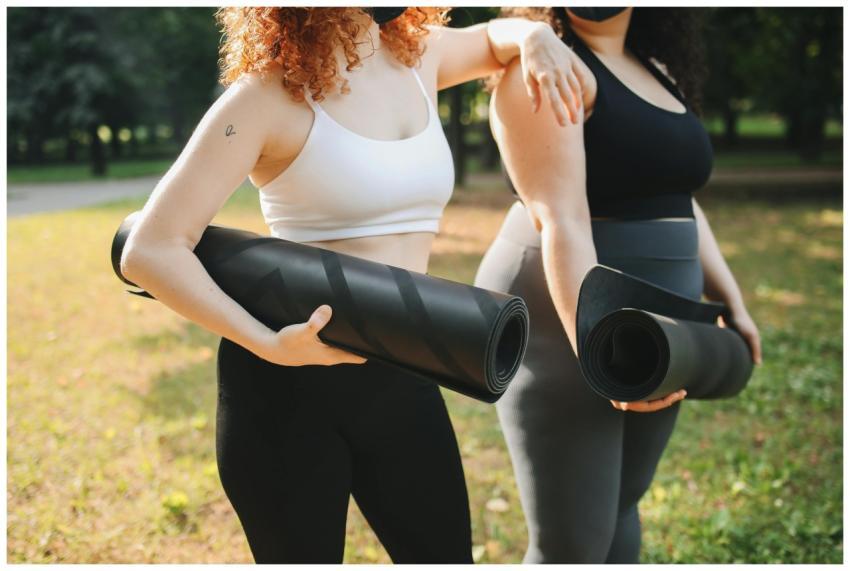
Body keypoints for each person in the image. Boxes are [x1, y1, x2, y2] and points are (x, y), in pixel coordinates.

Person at [118, 7, 590, 564]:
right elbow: (150, 248)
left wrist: (533, 34)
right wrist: (269, 344)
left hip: (405, 365)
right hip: (283, 385)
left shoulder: (419, 55)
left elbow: (492, 38)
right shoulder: (266, 96)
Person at [475, 7, 762, 563]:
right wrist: (595, 352)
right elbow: (560, 219)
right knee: (573, 541)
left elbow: (680, 202)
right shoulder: (544, 69)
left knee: (620, 509)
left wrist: (732, 301)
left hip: (659, 321)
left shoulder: (655, 68)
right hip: (569, 318)